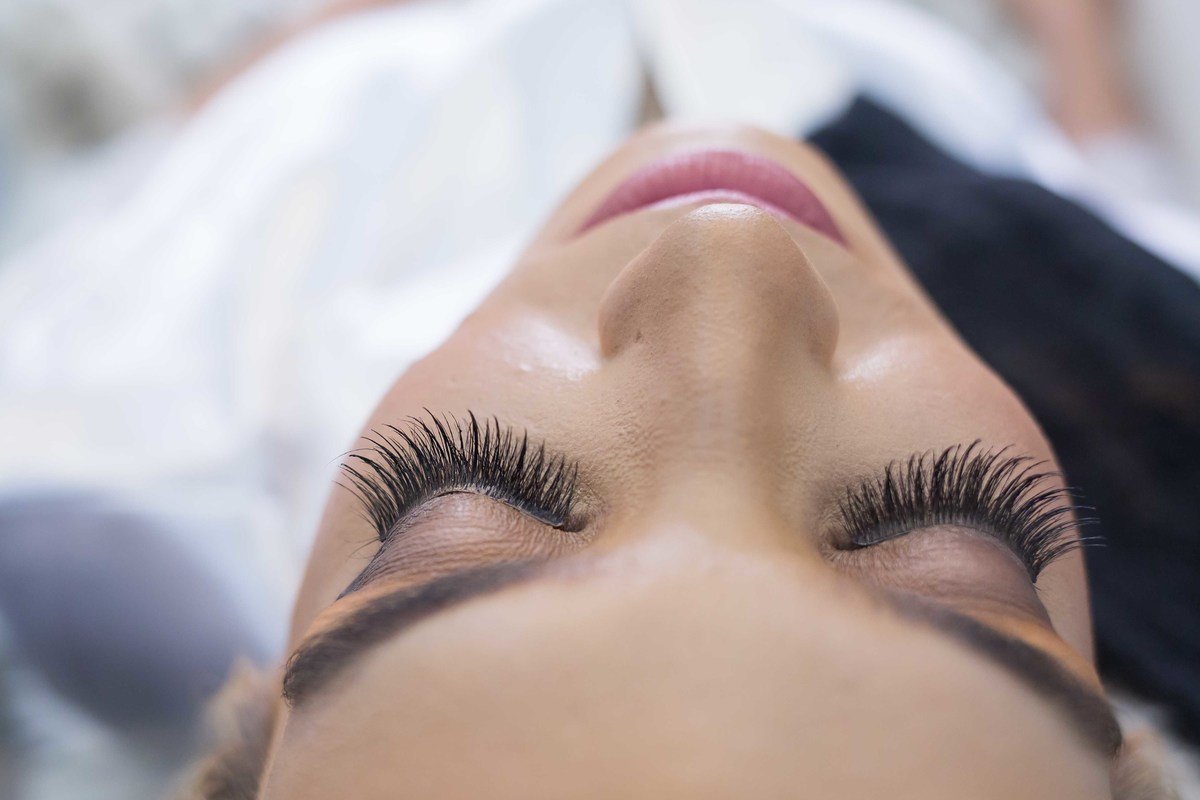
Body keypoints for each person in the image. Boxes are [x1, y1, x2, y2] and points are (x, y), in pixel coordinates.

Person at [0, 1, 1194, 798]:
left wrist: (326, 32)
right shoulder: (1145, 376)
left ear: (258, 706)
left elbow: (156, 184)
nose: (729, 247)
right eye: (945, 533)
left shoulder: (127, 414)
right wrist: (1079, 56)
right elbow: (1109, 182)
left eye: (471, 500)